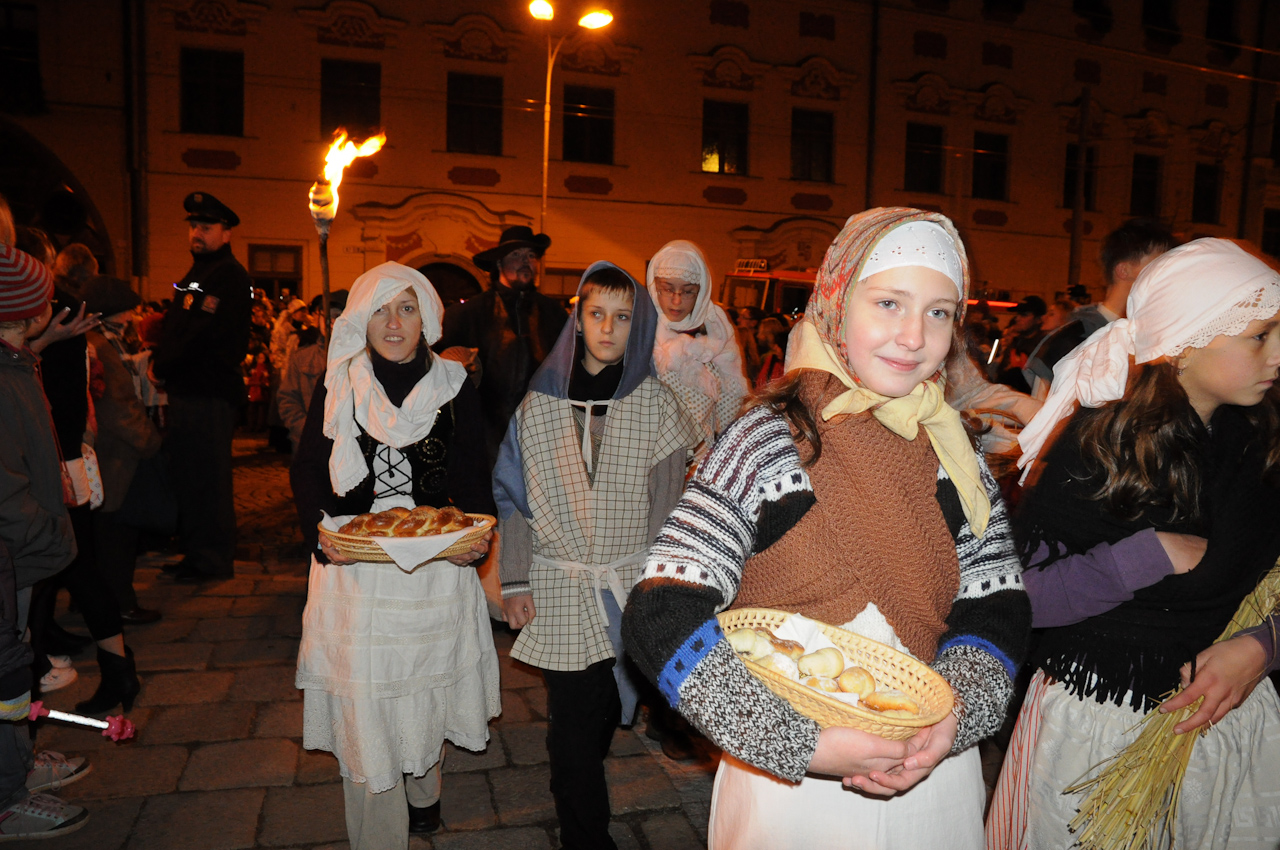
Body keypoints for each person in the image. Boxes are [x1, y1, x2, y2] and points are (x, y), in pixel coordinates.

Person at [620, 208, 1031, 850]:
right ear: (837, 303)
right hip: (792, 794)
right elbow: (661, 610)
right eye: (889, 303)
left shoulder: (957, 456)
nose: (913, 336)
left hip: (932, 781)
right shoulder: (768, 442)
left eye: (939, 312)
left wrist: (953, 718)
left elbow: (997, 603)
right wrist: (799, 742)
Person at [988, 239, 1280, 850]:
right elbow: (1021, 596)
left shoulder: (1259, 438)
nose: (1277, 353)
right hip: (1098, 724)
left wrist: (1263, 643)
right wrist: (1146, 556)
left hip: (1228, 718)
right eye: (1260, 336)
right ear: (1186, 345)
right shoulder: (1102, 445)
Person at [292, 263, 499, 849]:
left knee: (423, 689)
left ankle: (424, 790)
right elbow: (308, 470)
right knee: (366, 702)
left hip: (435, 565)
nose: (392, 323)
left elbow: (474, 478)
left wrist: (476, 540)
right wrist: (321, 536)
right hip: (356, 570)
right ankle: (378, 837)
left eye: (406, 308)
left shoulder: (454, 386)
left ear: (426, 317)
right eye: (380, 309)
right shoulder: (340, 381)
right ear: (361, 319)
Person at [493, 263, 700, 850]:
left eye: (623, 316)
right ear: (578, 321)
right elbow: (516, 499)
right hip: (559, 583)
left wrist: (664, 592)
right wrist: (515, 581)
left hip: (630, 583)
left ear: (638, 326)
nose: (608, 328)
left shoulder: (657, 406)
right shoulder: (538, 405)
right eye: (596, 314)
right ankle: (585, 838)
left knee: (609, 708)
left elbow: (667, 506)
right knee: (574, 730)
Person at [0, 244, 90, 839]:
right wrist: (46, 532)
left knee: (15, 660)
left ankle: (17, 766)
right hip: (13, 551)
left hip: (19, 550)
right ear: (29, 311)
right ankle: (6, 797)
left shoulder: (15, 360)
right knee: (6, 668)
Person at [152, 192, 252, 582]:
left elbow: (201, 333)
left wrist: (162, 365)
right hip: (190, 389)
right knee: (190, 476)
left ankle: (211, 559)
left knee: (208, 479)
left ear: (226, 233)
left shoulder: (226, 274)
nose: (197, 233)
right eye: (194, 226)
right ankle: (196, 553)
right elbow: (178, 326)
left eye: (206, 227)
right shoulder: (199, 272)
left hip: (208, 392)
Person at [438, 225, 568, 459]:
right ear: (499, 263)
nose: (525, 261)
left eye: (531, 255)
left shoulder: (554, 315)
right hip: (484, 435)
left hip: (542, 434)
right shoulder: (468, 315)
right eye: (516, 254)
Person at [82, 276, 163, 625]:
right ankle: (120, 603)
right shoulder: (100, 345)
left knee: (105, 534)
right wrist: (150, 441)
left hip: (113, 452)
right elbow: (118, 405)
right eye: (126, 311)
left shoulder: (106, 341)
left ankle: (95, 599)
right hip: (115, 455)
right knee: (117, 536)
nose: (131, 317)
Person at [1023, 218, 1178, 399]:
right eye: (1158, 265)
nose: (1168, 275)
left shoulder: (1158, 340)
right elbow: (1043, 410)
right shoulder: (1071, 340)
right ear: (1124, 270)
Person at [645, 240, 749, 452]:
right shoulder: (642, 331)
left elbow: (731, 410)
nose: (676, 301)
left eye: (688, 292)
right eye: (667, 289)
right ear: (655, 289)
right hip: (652, 455)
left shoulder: (718, 331)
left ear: (701, 292)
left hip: (702, 458)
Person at [278, 290, 347, 453]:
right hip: (308, 445)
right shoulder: (302, 357)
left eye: (337, 315)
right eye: (325, 315)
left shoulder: (361, 359)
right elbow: (288, 399)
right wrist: (307, 430)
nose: (331, 321)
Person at [993, 295, 1046, 393]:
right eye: (1017, 314)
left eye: (1024, 315)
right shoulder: (1016, 343)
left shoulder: (1044, 347)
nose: (1017, 318)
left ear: (1039, 319)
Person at [755, 317, 789, 388]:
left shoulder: (771, 358)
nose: (758, 336)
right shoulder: (773, 358)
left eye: (760, 332)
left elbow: (761, 383)